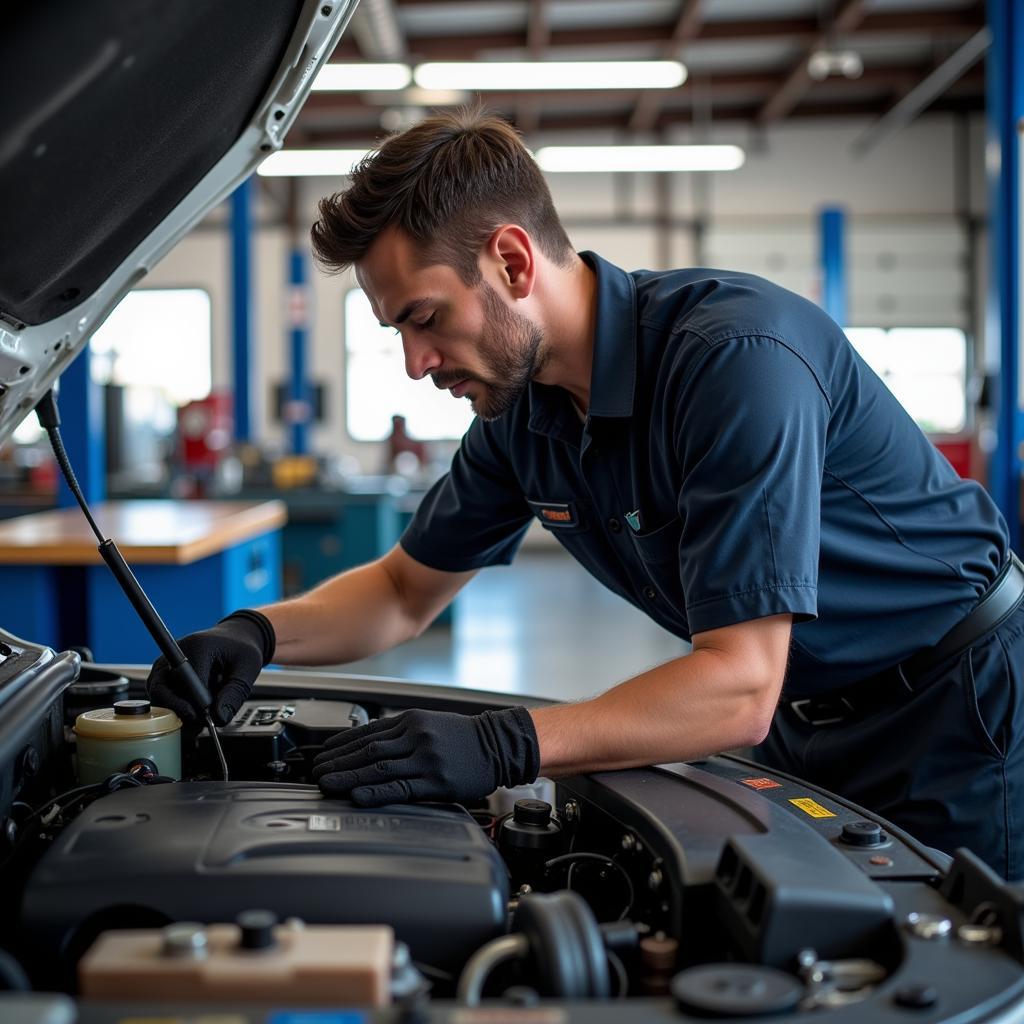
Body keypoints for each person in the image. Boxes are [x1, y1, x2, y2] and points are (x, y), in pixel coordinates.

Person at [148, 108, 1024, 881]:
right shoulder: (519, 419)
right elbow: (402, 592)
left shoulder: (735, 363)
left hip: (956, 707)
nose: (415, 364)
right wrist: (257, 632)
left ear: (512, 261)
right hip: (806, 717)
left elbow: (738, 684)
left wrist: (508, 744)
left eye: (423, 318)